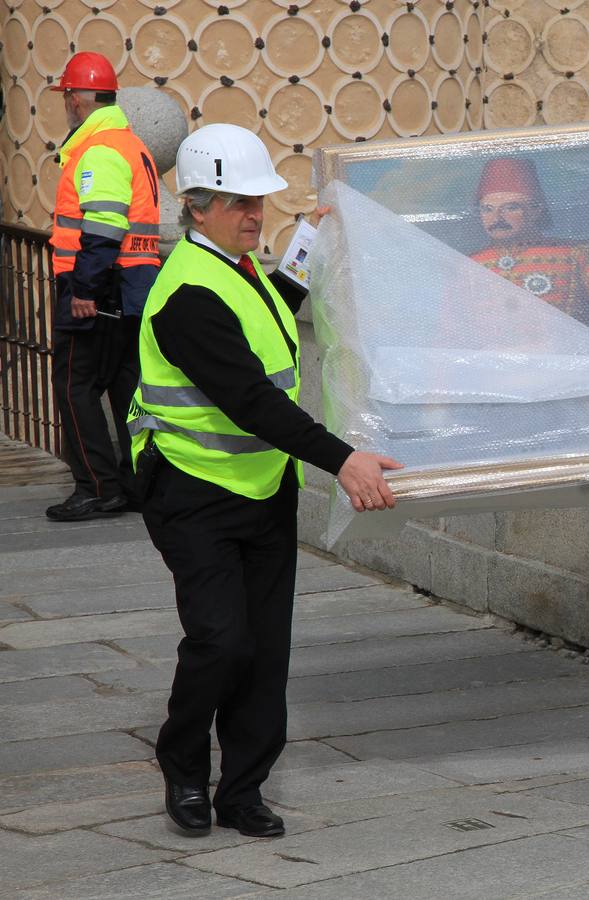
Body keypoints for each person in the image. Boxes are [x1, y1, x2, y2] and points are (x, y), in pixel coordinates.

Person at [126, 123, 402, 838]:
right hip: (191, 489)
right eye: (238, 202)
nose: (255, 213)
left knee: (265, 649)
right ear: (195, 207)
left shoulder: (240, 270)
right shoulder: (187, 293)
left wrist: (309, 237)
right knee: (221, 641)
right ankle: (184, 768)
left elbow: (278, 303)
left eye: (259, 200)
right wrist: (344, 459)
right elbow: (252, 400)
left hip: (260, 486)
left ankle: (243, 788)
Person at [45, 52, 160, 521]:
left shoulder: (99, 150)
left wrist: (84, 291)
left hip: (99, 286)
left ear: (75, 99)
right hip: (130, 287)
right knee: (122, 386)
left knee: (73, 386)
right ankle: (134, 483)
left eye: (67, 96)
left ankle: (96, 486)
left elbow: (105, 226)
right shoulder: (132, 144)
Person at [470, 157, 589, 355]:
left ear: (535, 210)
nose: (497, 218)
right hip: (494, 382)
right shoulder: (469, 265)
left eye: (511, 207)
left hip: (567, 379)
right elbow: (446, 341)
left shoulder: (578, 254)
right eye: (487, 209)